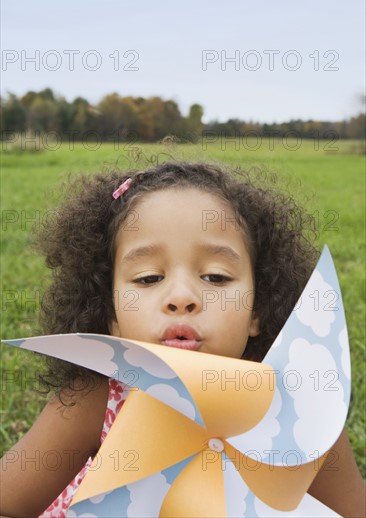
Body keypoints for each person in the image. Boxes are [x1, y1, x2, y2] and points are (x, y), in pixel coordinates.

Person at [0, 161, 364, 517]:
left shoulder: (301, 408)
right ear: (110, 314)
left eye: (217, 277)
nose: (181, 296)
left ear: (258, 308)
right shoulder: (95, 397)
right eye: (147, 278)